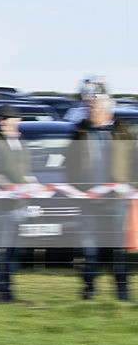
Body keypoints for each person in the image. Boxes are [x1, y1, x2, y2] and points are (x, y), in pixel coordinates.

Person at [67, 94, 132, 301]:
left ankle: (122, 293)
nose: (90, 112)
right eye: (89, 108)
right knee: (89, 249)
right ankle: (89, 291)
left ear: (106, 111)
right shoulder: (80, 132)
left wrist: (130, 187)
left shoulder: (123, 132)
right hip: (88, 201)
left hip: (116, 200)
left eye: (94, 108)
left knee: (116, 249)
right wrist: (76, 188)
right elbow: (70, 162)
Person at [0, 105, 33, 303]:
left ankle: (8, 292)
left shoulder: (21, 141)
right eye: (1, 118)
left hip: (20, 205)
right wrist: (11, 188)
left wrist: (29, 185)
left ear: (17, 120)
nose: (3, 122)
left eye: (7, 118)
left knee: (14, 252)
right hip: (0, 206)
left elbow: (25, 170)